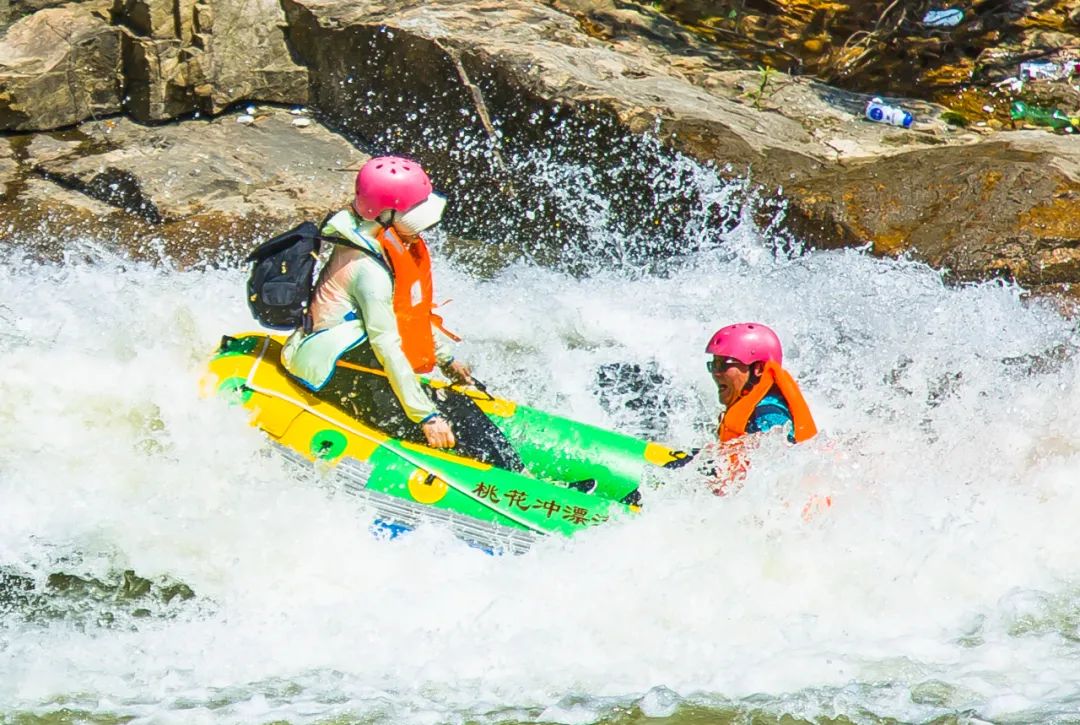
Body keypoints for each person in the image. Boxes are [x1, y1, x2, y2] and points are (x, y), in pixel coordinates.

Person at [280, 155, 523, 471]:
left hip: (345, 357)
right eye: (413, 211)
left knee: (458, 408)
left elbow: (406, 315)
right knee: (456, 418)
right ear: (385, 213)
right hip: (333, 370)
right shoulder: (368, 270)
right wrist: (427, 416)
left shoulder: (370, 238)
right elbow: (387, 345)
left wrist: (447, 359)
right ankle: (524, 485)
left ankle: (519, 472)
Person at [705, 322, 817, 493]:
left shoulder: (769, 416)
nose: (716, 372)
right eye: (714, 364)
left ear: (757, 368)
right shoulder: (752, 409)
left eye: (725, 364)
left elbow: (777, 480)